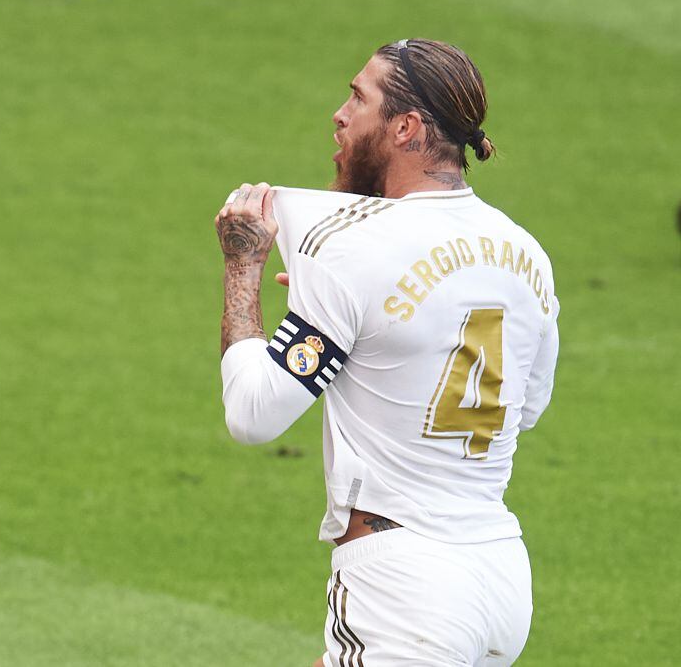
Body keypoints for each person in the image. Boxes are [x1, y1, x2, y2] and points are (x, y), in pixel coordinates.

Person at [214, 39, 559, 666]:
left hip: (403, 587)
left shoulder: (352, 249)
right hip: (500, 577)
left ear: (406, 128)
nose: (339, 114)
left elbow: (252, 413)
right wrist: (358, 331)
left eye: (358, 98)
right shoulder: (526, 253)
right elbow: (523, 408)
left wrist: (243, 267)